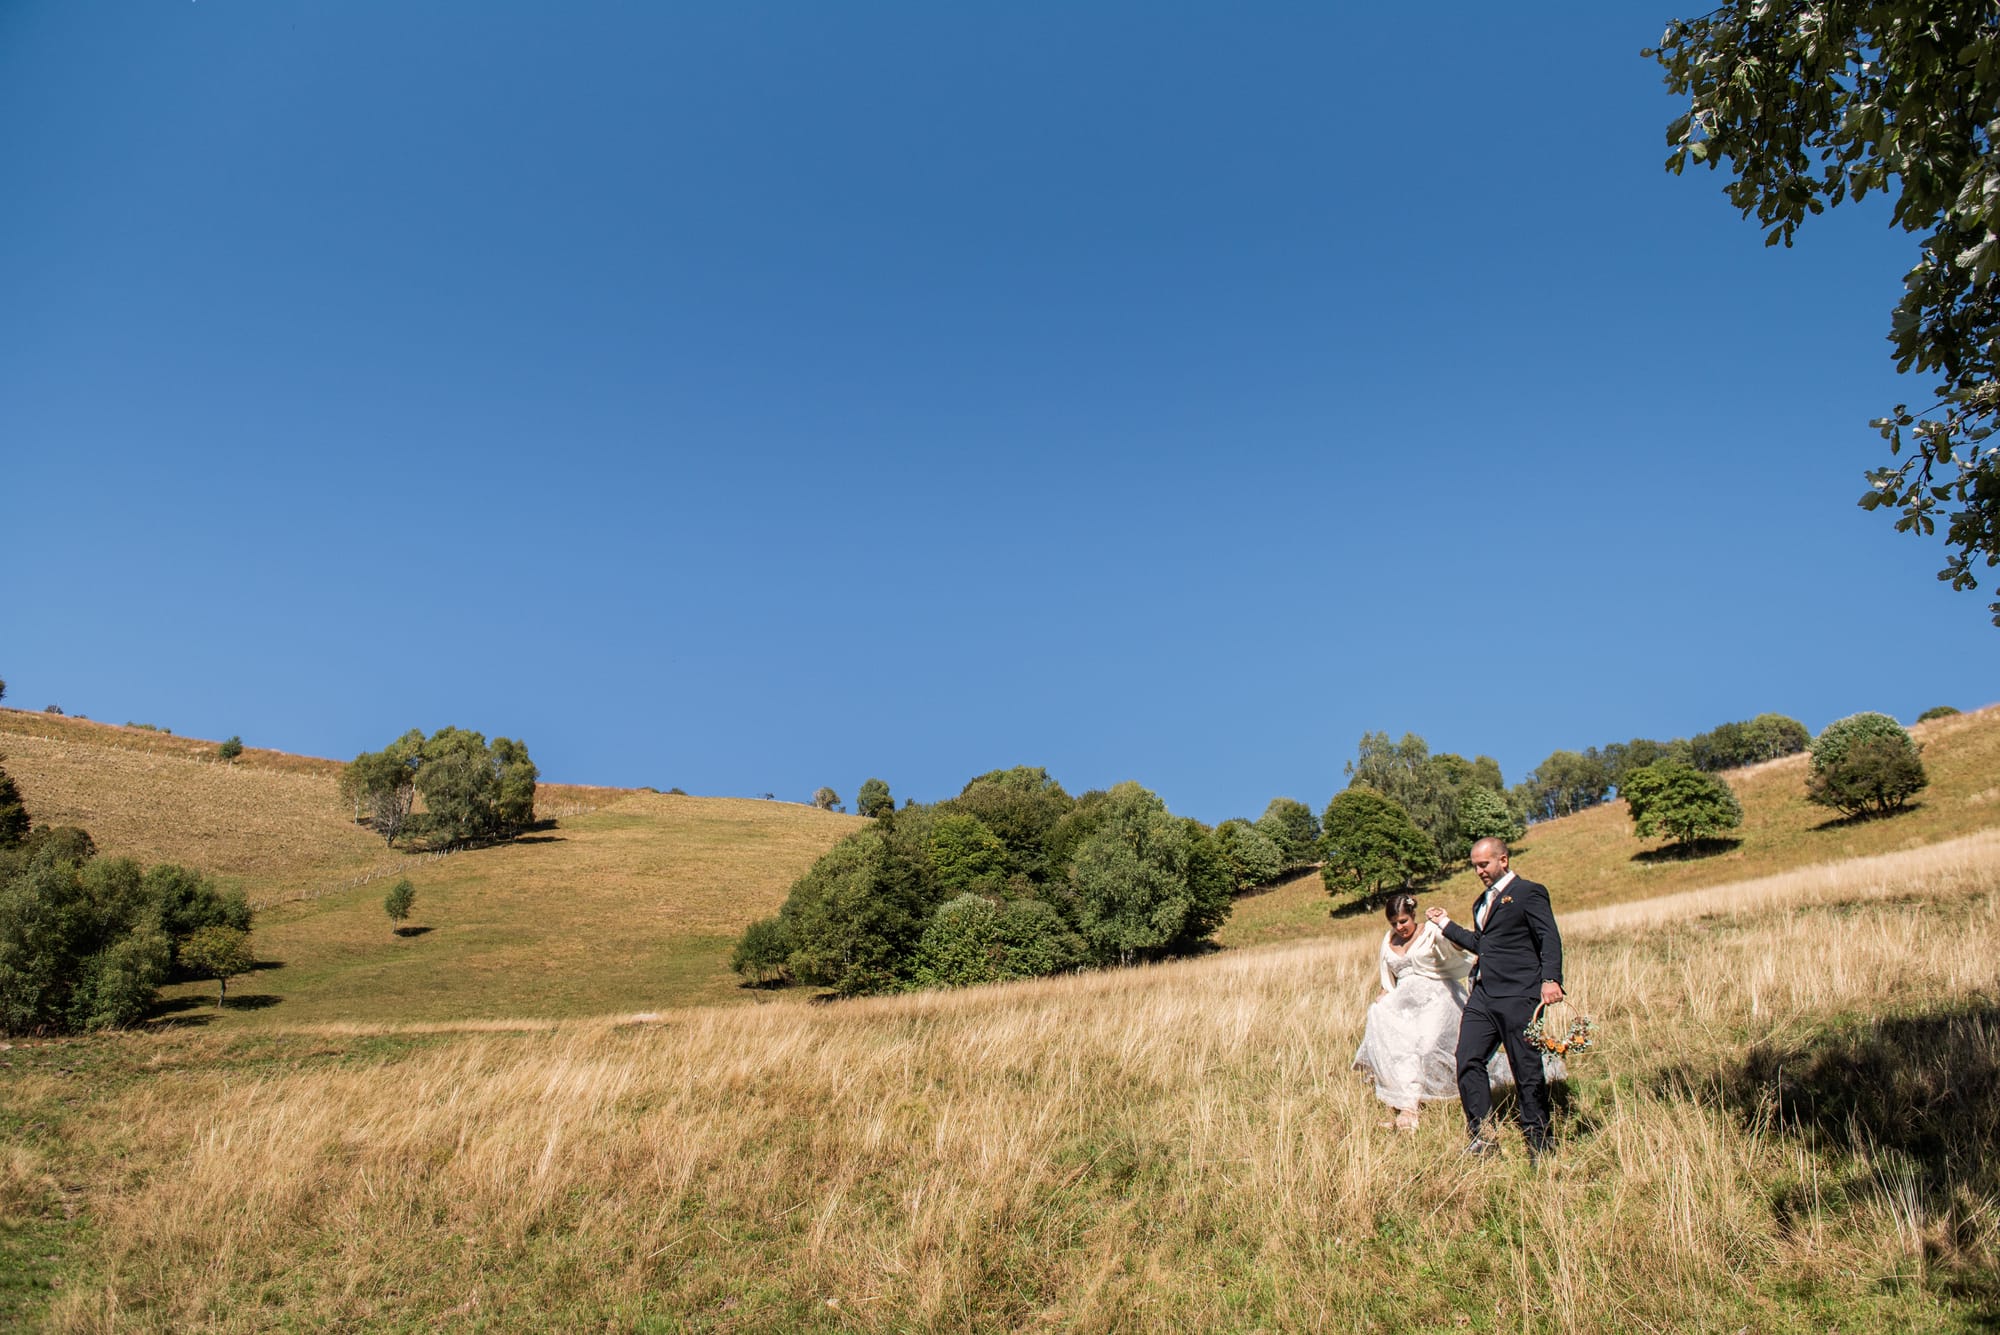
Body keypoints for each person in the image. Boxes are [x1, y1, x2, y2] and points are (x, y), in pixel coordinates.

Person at [1428, 837, 1564, 1161]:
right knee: (1467, 1058)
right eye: (1475, 865)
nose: (1479, 871)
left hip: (1520, 994)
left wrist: (1551, 980)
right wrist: (1444, 924)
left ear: (1503, 860)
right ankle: (1482, 1137)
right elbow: (1480, 943)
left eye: (1484, 864)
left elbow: (1549, 937)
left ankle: (1539, 1141)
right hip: (1484, 996)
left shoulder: (1529, 892)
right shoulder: (1480, 903)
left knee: (1526, 1067)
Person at [1351, 893, 1477, 1131]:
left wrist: (1443, 922)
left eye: (1403, 921)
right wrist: (1382, 997)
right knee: (1402, 1047)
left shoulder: (1429, 931)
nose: (1399, 928)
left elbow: (1456, 946)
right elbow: (1387, 977)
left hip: (1435, 996)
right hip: (1404, 1001)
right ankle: (1409, 1108)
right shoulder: (1388, 940)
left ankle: (1448, 1090)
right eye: (1394, 923)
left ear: (1412, 916)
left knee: (1426, 1047)